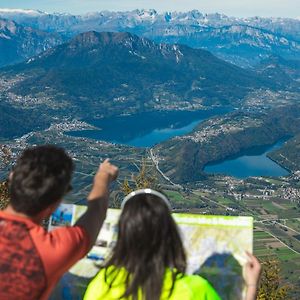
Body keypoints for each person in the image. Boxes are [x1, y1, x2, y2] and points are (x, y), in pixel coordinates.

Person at [84, 189, 261, 300]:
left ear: (124, 238)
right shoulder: (195, 290)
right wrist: (251, 285)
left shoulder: (103, 284)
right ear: (170, 237)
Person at [0, 144, 118, 300]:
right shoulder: (55, 249)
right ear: (56, 202)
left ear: (12, 178)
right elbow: (97, 211)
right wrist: (103, 176)